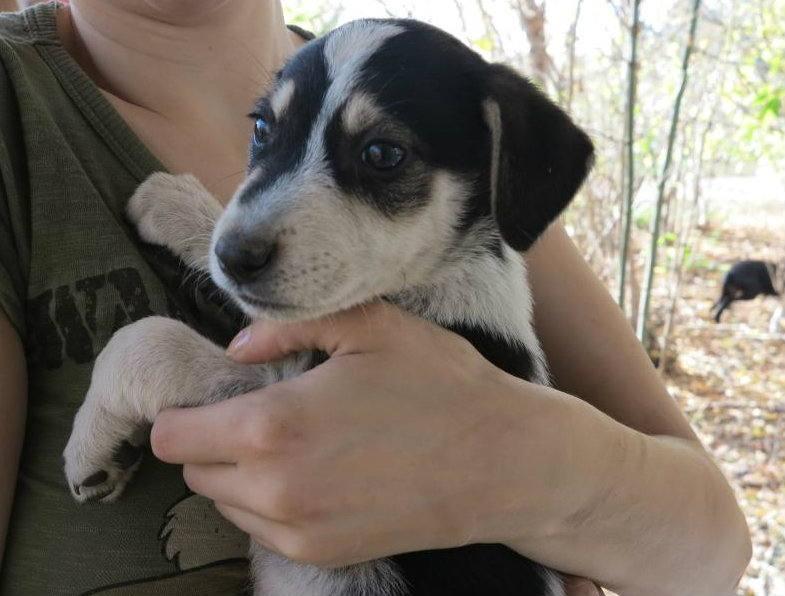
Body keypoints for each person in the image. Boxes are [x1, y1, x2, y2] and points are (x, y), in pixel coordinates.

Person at [0, 1, 751, 594]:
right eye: (266, 130)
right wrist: (205, 232)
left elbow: (711, 556)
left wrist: (539, 469)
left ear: (497, 185)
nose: (244, 234)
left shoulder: (471, 163)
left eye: (381, 157)